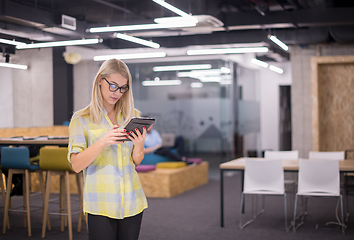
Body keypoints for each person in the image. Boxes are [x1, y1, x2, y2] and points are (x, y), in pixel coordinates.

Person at [68, 59, 147, 240]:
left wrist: (140, 146)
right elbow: (76, 165)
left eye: (123, 87)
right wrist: (102, 142)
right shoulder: (81, 119)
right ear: (100, 81)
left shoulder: (131, 116)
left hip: (132, 200)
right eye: (113, 85)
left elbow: (136, 162)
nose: (117, 92)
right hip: (101, 202)